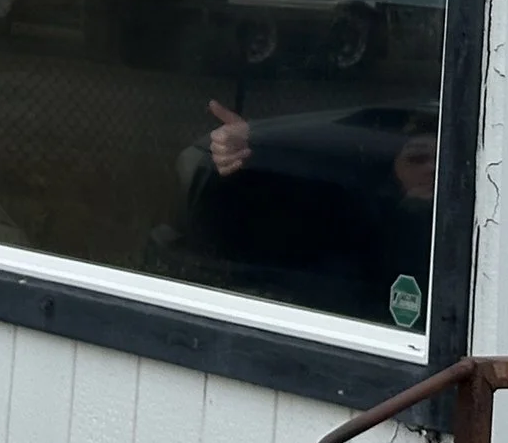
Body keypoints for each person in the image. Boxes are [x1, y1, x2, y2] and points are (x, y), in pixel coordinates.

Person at [181, 98, 435, 324]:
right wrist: (251, 152)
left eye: (441, 162)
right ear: (394, 162)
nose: (431, 170)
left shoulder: (467, 221)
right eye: (417, 158)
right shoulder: (348, 208)